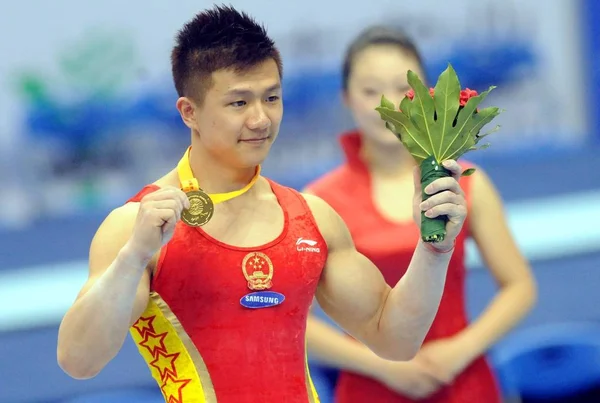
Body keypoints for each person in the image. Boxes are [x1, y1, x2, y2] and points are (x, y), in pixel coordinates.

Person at [56, 7, 470, 403]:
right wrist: (133, 259)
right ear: (189, 112)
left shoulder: (312, 219)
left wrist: (434, 249)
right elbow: (79, 361)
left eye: (271, 98)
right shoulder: (136, 226)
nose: (261, 119)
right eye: (239, 103)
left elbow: (394, 338)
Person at [304, 26, 538, 403]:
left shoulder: (462, 182)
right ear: (346, 98)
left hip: (462, 382)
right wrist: (383, 361)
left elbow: (520, 287)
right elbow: (294, 319)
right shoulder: (317, 202)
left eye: (403, 88)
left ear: (429, 96)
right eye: (370, 90)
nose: (390, 103)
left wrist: (459, 351)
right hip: (370, 388)